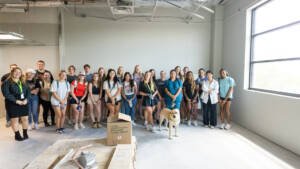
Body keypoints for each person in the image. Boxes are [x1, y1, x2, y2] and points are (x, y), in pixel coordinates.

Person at [2, 67, 30, 141]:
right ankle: (17, 135)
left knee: (25, 119)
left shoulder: (23, 81)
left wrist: (26, 99)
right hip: (12, 103)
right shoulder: (6, 82)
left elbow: (28, 92)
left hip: (24, 102)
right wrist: (16, 101)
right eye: (16, 72)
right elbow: (6, 94)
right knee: (15, 120)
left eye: (19, 72)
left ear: (21, 74)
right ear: (12, 72)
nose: (17, 73)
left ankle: (25, 133)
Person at [1, 63, 18, 128]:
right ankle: (8, 121)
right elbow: (2, 86)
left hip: (17, 96)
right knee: (8, 109)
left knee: (17, 108)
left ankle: (17, 120)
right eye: (12, 67)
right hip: (8, 96)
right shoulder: (5, 76)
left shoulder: (19, 75)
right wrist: (5, 94)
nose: (13, 69)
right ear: (10, 68)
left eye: (15, 67)